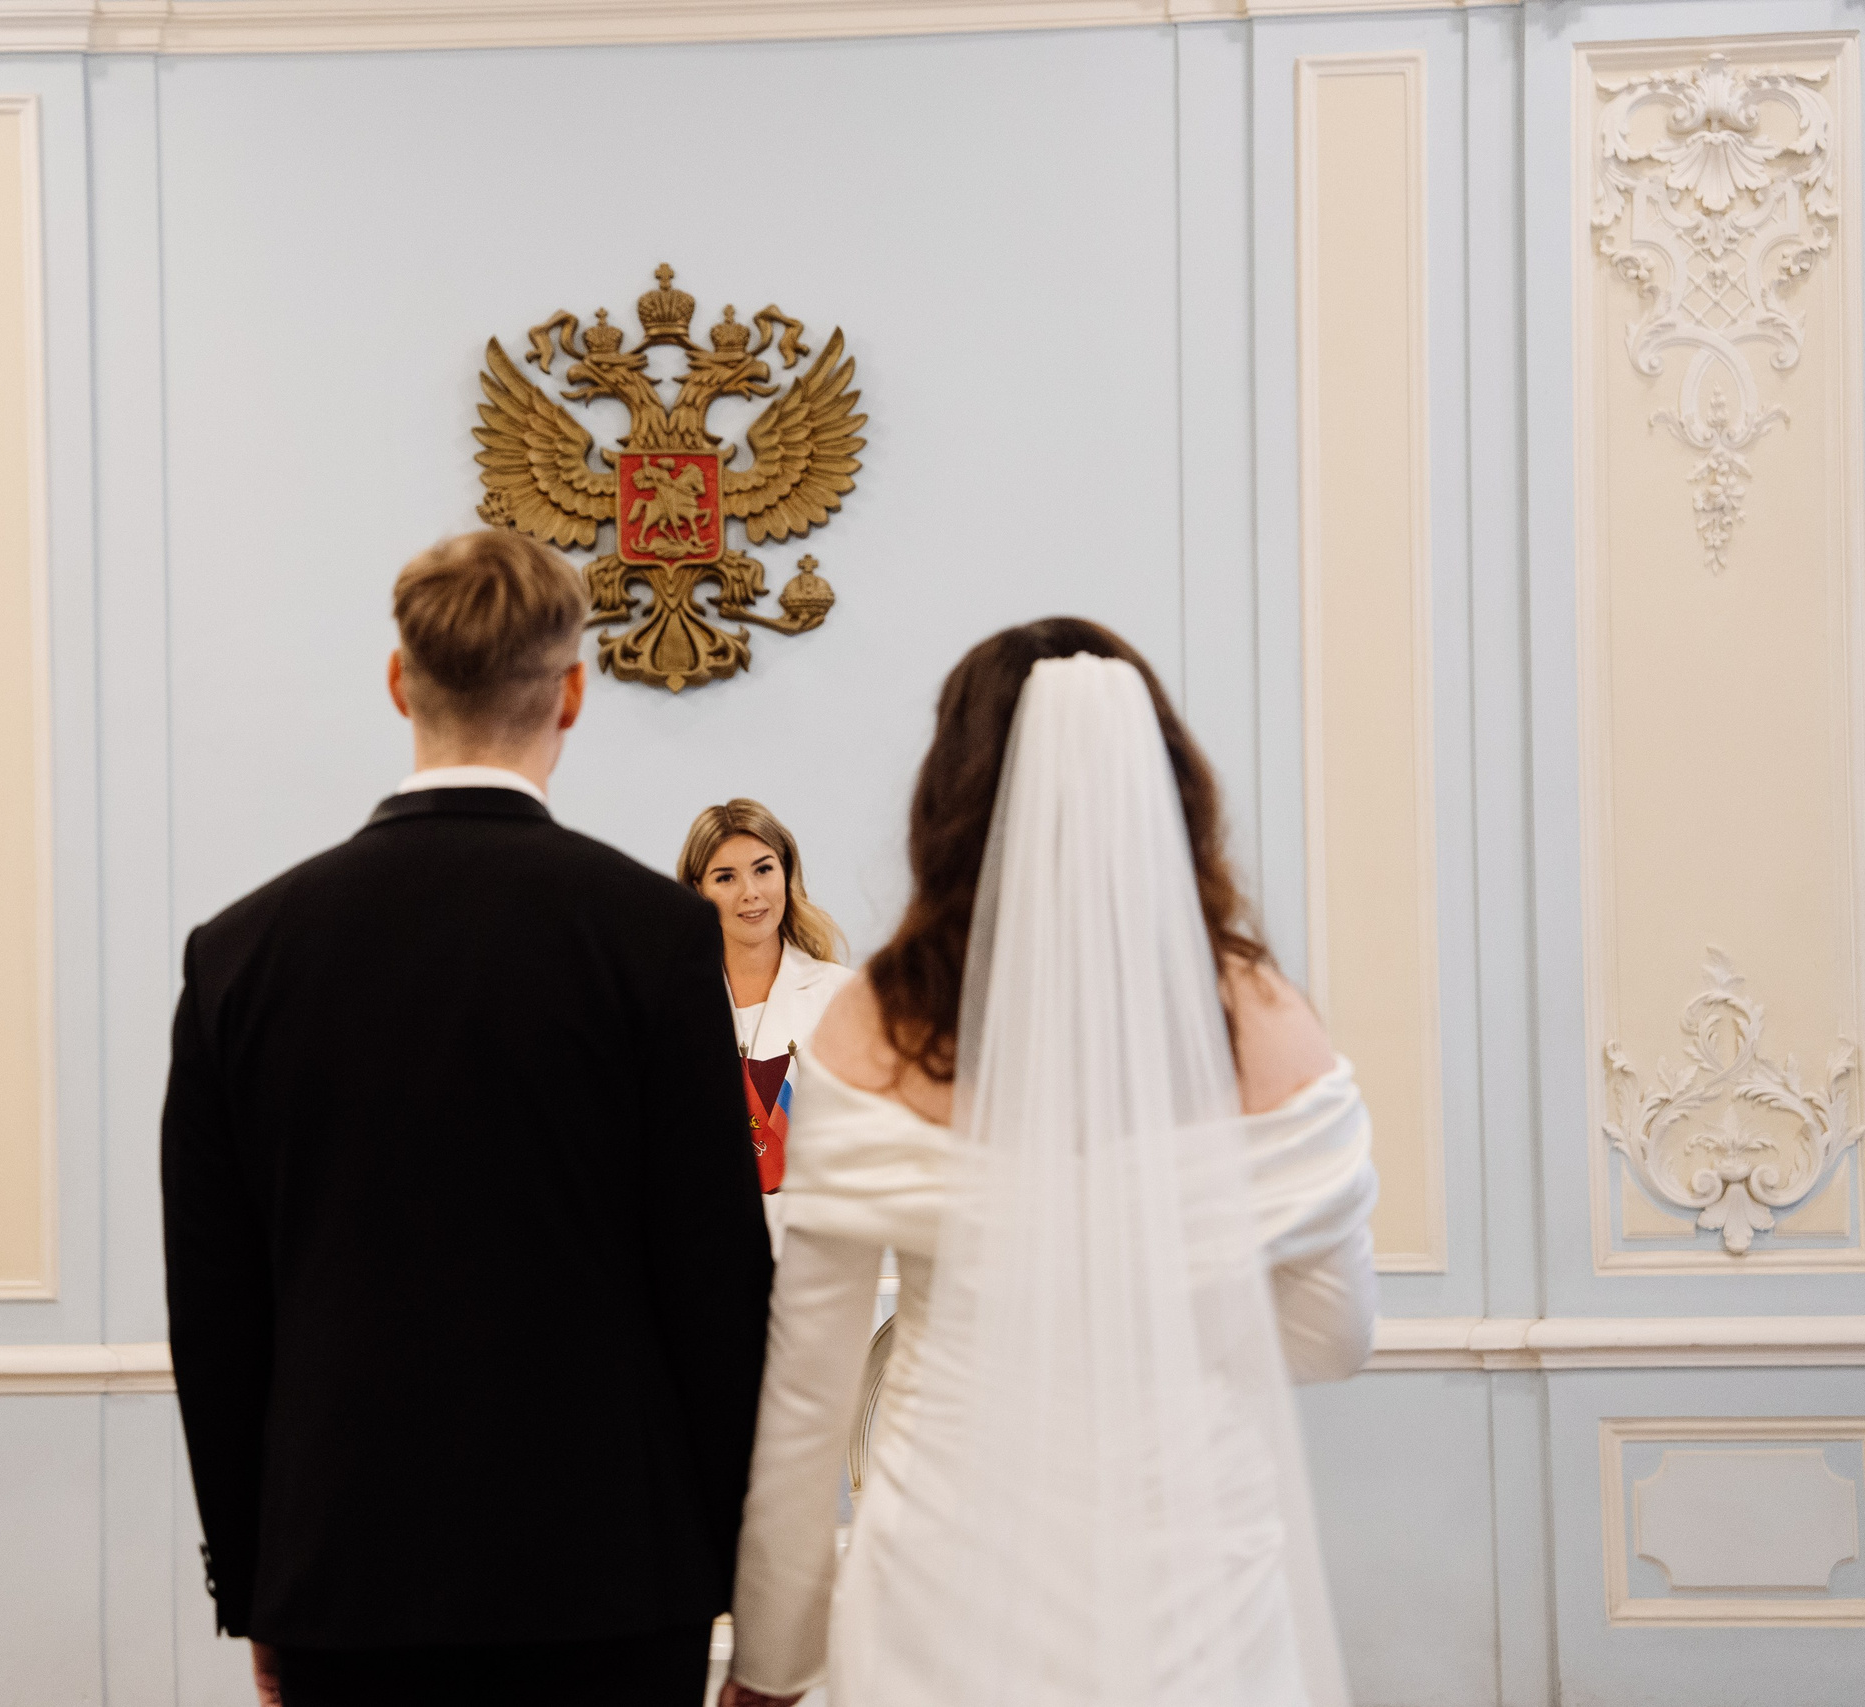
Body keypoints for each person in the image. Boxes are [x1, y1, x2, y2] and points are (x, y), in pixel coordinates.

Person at [161, 529, 773, 1707]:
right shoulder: (652, 939)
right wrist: (749, 1579)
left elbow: (218, 1308)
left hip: (341, 1571)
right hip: (612, 1575)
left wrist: (255, 1582)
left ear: (400, 682)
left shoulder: (241, 955)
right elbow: (717, 1286)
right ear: (575, 693)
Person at [721, 619, 1380, 1707]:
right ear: (1167, 789)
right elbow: (1330, 1335)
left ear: (949, 803)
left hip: (947, 1559)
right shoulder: (1264, 1021)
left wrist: (775, 1659)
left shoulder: (872, 1026)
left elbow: (810, 1389)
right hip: (1192, 1565)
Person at [676, 800, 852, 1246]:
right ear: (697, 889)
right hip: (701, 1256)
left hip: (816, 1257)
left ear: (786, 874)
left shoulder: (841, 998)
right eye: (725, 877)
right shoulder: (668, 1005)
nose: (750, 892)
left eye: (763, 869)